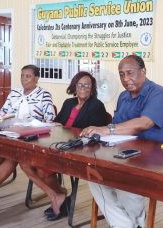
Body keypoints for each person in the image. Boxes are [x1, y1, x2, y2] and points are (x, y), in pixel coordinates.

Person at [81, 55, 163, 228]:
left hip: (157, 157)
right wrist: (97, 132)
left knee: (123, 180)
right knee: (92, 173)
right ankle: (129, 225)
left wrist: (106, 129)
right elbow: (118, 126)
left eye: (130, 73)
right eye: (121, 74)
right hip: (127, 153)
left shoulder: (157, 92)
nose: (126, 79)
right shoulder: (123, 96)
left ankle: (127, 224)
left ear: (143, 71)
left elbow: (144, 123)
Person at [0, 65, 56, 224]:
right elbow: (3, 112)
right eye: (22, 76)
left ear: (36, 79)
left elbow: (50, 119)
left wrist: (29, 124)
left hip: (29, 138)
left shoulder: (44, 95)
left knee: (11, 157)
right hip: (8, 133)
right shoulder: (14, 93)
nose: (24, 79)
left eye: (28, 76)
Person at [20, 71, 109, 221]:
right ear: (75, 86)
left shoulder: (96, 106)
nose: (83, 88)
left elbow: (94, 132)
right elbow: (58, 122)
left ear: (92, 88)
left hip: (77, 152)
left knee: (41, 169)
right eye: (80, 84)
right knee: (24, 163)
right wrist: (55, 124)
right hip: (56, 146)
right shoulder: (69, 103)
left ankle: (58, 198)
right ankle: (57, 196)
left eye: (87, 85)